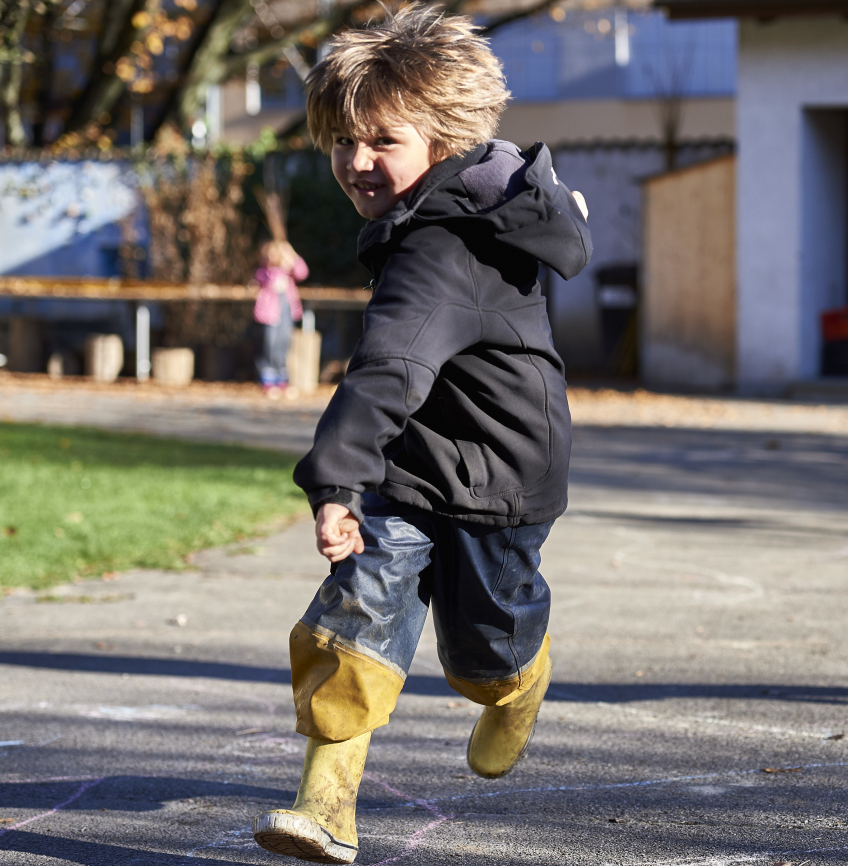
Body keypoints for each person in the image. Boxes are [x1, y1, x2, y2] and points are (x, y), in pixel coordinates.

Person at [251, 6, 592, 863]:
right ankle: (325, 805)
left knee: (483, 652)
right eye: (342, 141)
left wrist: (329, 476)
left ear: (445, 140)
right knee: (356, 615)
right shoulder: (430, 217)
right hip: (405, 471)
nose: (357, 163)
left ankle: (518, 678)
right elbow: (399, 380)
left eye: (382, 142)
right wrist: (349, 490)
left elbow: (388, 369)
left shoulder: (444, 245)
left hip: (495, 481)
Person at [253, 239, 308, 398]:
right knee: (270, 346)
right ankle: (268, 382)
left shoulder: (288, 273)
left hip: (286, 314)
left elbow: (302, 271)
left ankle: (282, 382)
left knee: (283, 346)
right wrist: (280, 265)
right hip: (270, 317)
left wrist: (291, 254)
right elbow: (270, 279)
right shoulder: (263, 272)